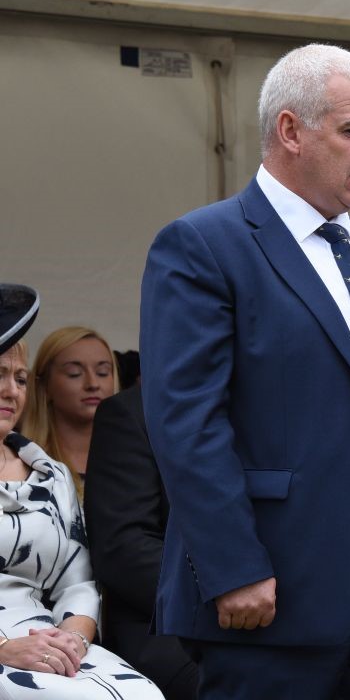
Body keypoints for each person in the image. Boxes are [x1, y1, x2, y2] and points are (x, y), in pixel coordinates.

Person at [139, 43, 350, 699]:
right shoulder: (206, 245)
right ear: (289, 130)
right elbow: (186, 421)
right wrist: (232, 566)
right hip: (274, 588)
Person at [0, 299, 164, 698]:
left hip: (48, 639)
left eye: (20, 379)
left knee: (145, 695)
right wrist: (6, 650)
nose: (11, 391)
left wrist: (73, 640)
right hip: (9, 650)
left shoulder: (51, 474)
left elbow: (79, 583)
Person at [85, 384, 199, 700]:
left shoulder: (276, 410)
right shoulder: (133, 412)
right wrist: (229, 586)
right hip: (168, 628)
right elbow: (124, 549)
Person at [22, 325, 118, 498]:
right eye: (74, 373)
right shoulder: (21, 464)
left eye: (103, 372)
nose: (93, 383)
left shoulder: (136, 460)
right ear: (44, 385)